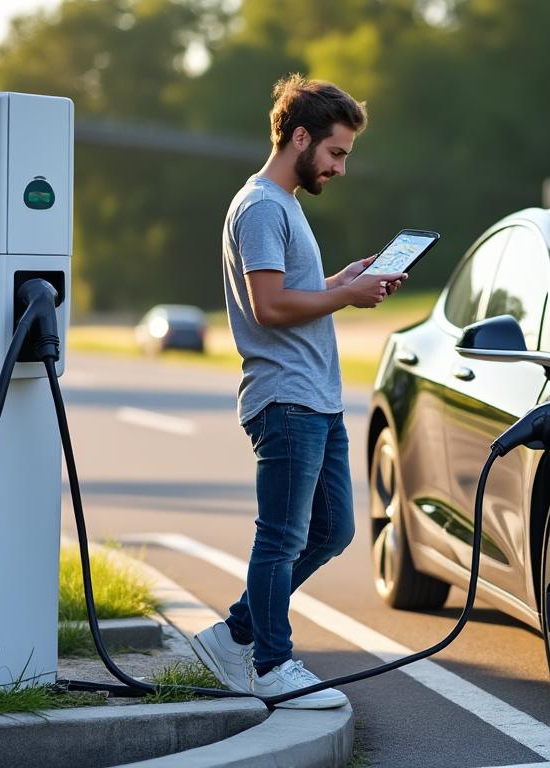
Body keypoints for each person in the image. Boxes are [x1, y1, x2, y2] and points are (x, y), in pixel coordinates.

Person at [191, 75, 404, 709]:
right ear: (300, 136)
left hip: (316, 397)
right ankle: (271, 663)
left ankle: (234, 635)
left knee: (334, 529)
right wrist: (344, 296)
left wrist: (341, 279)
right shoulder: (260, 206)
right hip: (285, 399)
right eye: (336, 153)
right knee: (281, 536)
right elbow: (270, 307)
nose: (340, 167)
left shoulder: (284, 205)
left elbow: (293, 293)